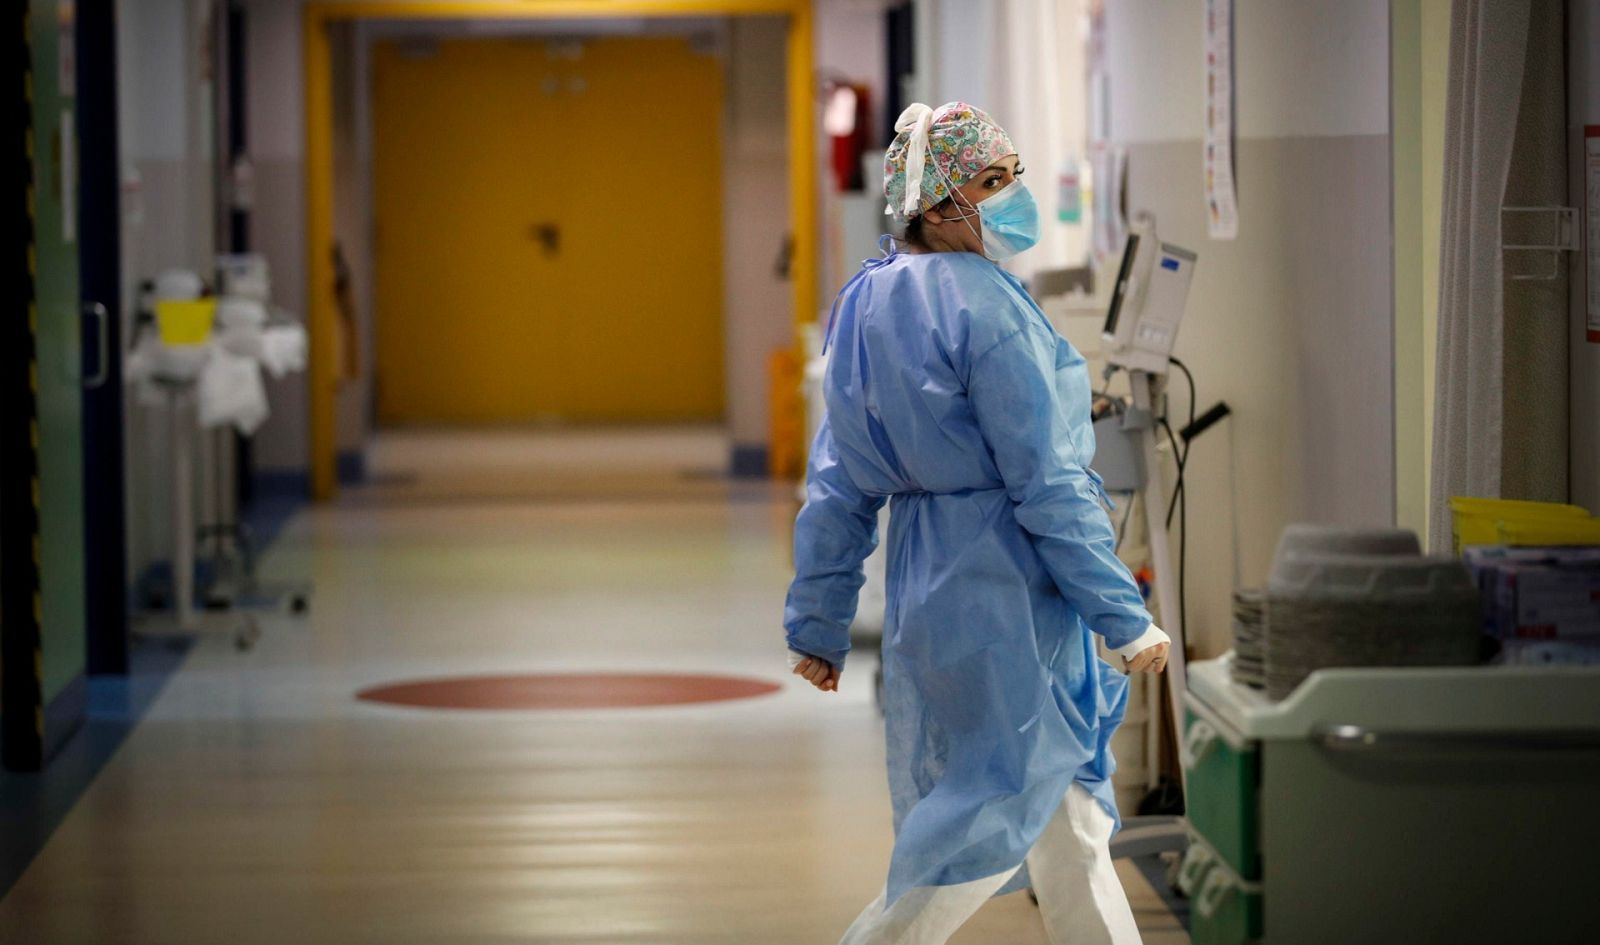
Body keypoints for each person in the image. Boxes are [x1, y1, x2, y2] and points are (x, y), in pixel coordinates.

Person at [783, 102, 1171, 945]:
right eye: (990, 182)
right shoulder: (988, 311)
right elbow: (1051, 485)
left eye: (1012, 174)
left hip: (931, 590)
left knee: (1067, 816)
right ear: (933, 202)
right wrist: (1123, 613)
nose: (1012, 195)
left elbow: (839, 481)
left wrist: (818, 620)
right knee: (981, 826)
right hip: (1008, 592)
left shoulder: (866, 303)